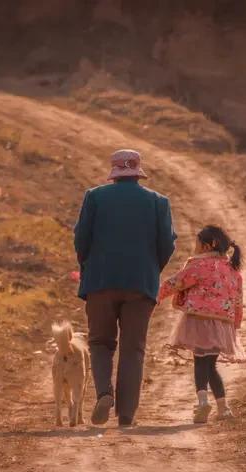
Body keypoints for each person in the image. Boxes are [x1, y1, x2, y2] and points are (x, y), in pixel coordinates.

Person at [74, 149, 177, 426]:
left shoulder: (95, 197)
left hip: (99, 281)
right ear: (137, 172)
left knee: (100, 343)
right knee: (133, 348)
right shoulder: (159, 202)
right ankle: (127, 414)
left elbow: (81, 239)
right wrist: (151, 269)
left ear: (115, 172)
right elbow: (167, 244)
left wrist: (88, 268)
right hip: (140, 283)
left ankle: (104, 394)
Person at [158, 225, 246, 424]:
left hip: (199, 321)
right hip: (223, 325)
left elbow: (175, 283)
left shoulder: (199, 266)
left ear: (209, 245)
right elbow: (238, 300)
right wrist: (236, 324)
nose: (195, 247)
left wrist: (155, 296)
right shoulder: (233, 270)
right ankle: (223, 407)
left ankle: (202, 402)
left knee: (200, 363)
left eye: (197, 243)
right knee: (211, 365)